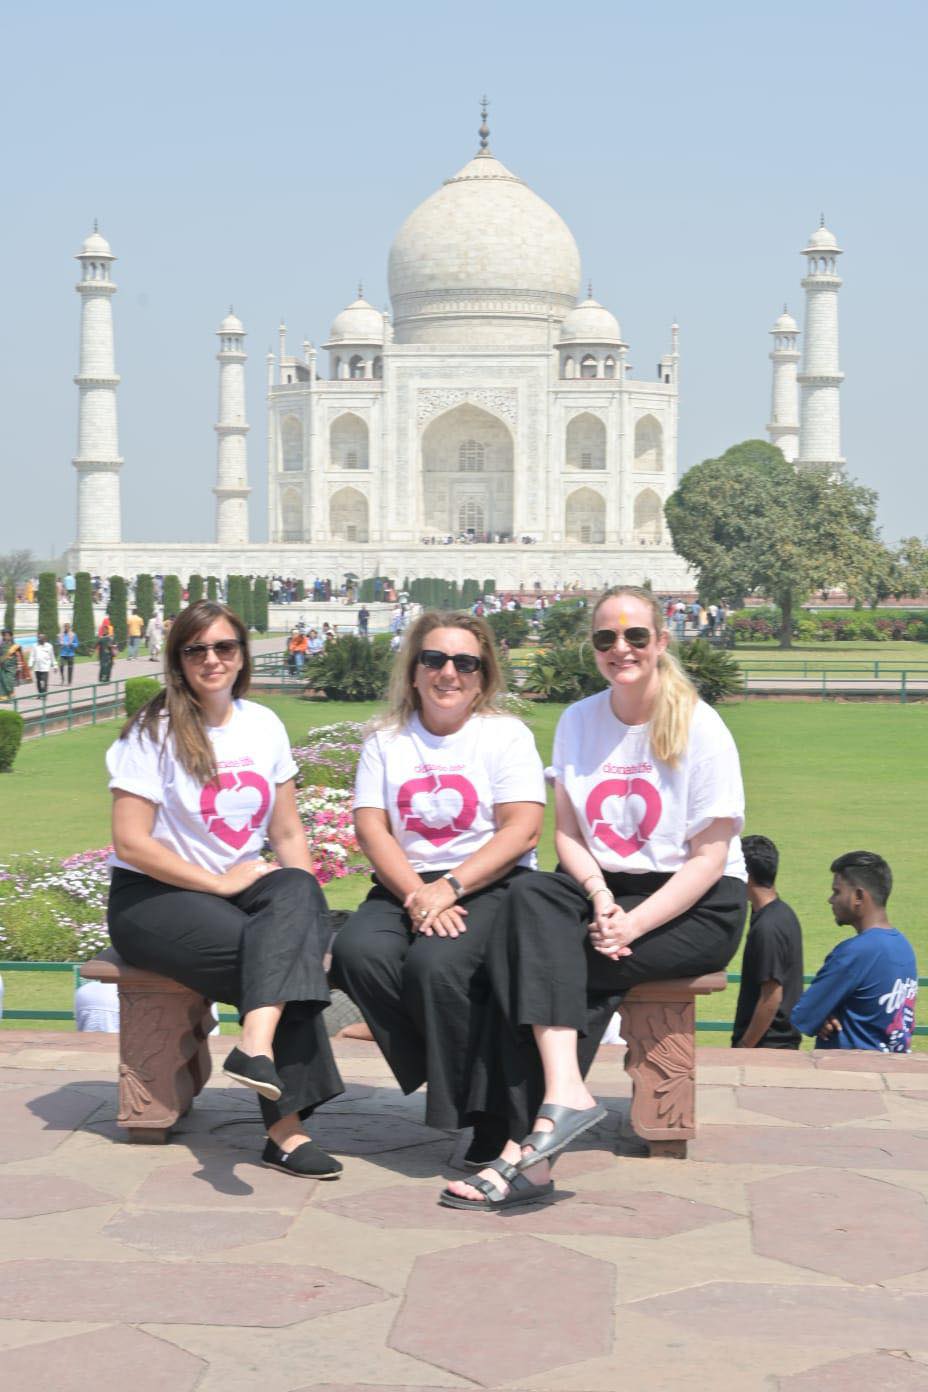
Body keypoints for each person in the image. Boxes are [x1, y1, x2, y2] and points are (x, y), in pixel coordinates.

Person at [442, 585, 747, 1210]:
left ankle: (524, 1150)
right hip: (610, 889)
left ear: (661, 641)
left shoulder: (700, 726)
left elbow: (709, 859)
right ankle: (562, 1097)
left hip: (695, 903)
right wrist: (601, 895)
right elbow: (568, 834)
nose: (621, 648)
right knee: (529, 900)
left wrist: (632, 925)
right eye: (606, 637)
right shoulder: (582, 719)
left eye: (636, 636)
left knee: (541, 965)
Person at [105, 599, 344, 1177]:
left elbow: (287, 832)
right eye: (196, 650)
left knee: (292, 903)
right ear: (178, 660)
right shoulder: (153, 731)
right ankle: (285, 1131)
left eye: (224, 647)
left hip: (235, 889)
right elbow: (132, 842)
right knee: (269, 956)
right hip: (153, 897)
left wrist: (309, 918)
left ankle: (255, 1044)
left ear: (242, 655)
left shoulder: (262, 724)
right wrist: (217, 882)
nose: (212, 660)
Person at [332, 610, 545, 1164]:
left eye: (464, 662)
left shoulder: (504, 735)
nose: (448, 673)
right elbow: (371, 827)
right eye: (434, 659)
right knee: (358, 953)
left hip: (488, 881)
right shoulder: (387, 740)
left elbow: (521, 828)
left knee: (436, 966)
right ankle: (464, 1082)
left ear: (483, 674)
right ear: (414, 670)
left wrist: (448, 887)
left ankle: (483, 1116)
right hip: (407, 882)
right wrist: (418, 895)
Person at [792, 851, 918, 1053]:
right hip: (892, 1069)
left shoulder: (854, 952)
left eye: (837, 891)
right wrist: (824, 1013)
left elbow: (803, 1015)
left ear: (858, 896)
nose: (831, 900)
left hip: (853, 1071)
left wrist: (823, 1013)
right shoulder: (904, 947)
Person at [731, 835, 803, 1049]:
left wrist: (744, 1047)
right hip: (779, 1043)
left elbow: (771, 997)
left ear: (746, 874)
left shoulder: (767, 927)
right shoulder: (783, 913)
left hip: (768, 1046)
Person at [0, 629, 24, 701]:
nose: (6, 637)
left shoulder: (15, 646)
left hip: (12, 667)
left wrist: (19, 666)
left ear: (11, 636)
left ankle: (11, 695)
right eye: (4, 635)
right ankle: (4, 697)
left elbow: (18, 656)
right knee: (3, 681)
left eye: (7, 635)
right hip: (3, 666)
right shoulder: (1, 645)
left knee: (9, 681)